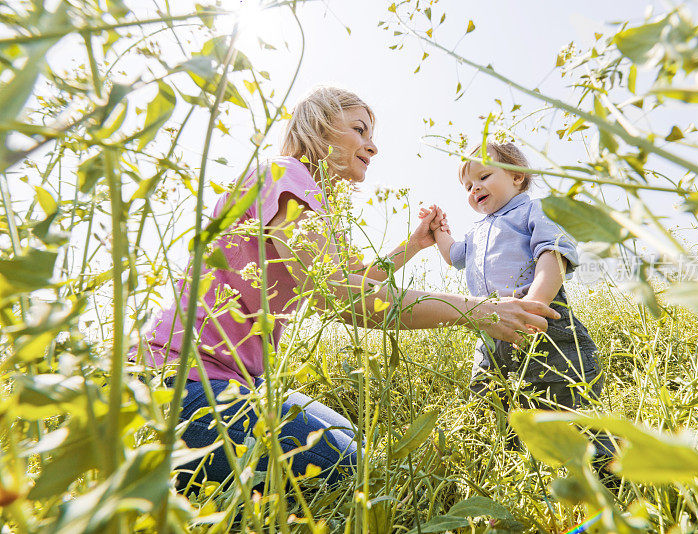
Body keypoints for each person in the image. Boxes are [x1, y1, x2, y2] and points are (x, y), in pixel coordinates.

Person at [132, 88, 561, 494]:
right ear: (317, 126)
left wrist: (415, 243)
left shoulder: (310, 199)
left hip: (237, 382)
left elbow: (354, 277)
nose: (372, 146)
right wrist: (479, 311)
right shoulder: (287, 175)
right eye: (359, 130)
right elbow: (339, 295)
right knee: (355, 474)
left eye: (371, 135)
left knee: (350, 444)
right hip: (185, 383)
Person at [420, 141, 617, 481]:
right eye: (468, 186)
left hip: (542, 319)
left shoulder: (533, 210)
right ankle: (512, 472)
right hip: (490, 326)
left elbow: (552, 252)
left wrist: (535, 307)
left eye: (483, 175)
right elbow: (454, 256)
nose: (475, 188)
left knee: (566, 397)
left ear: (517, 176)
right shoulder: (476, 231)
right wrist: (439, 231)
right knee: (490, 400)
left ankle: (605, 478)